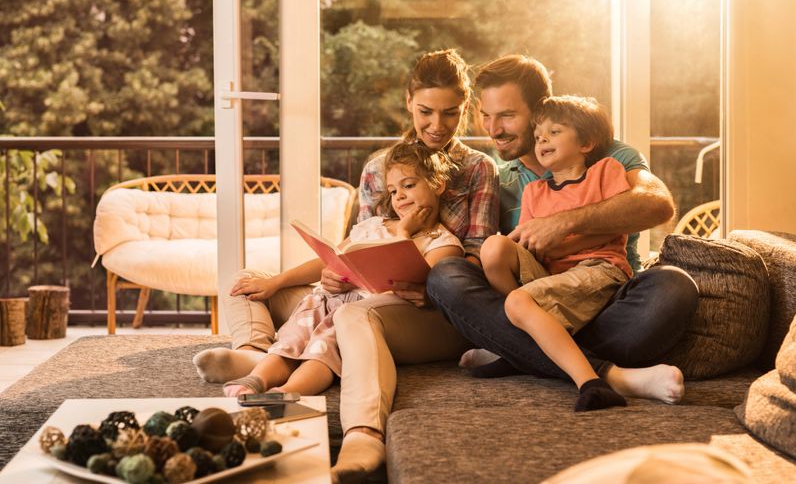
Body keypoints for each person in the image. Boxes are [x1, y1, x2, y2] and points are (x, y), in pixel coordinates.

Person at [193, 49, 499, 482]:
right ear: (408, 102)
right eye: (426, 111)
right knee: (251, 282)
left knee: (354, 315)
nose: (437, 125)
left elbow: (475, 255)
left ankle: (363, 432)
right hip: (358, 294)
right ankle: (254, 355)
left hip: (427, 310)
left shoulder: (478, 169)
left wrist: (432, 285)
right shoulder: (379, 168)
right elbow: (358, 245)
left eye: (450, 113)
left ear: (464, 109)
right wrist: (325, 272)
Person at [429, 55, 696, 406]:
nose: (494, 130)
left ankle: (515, 351)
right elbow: (489, 260)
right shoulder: (498, 178)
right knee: (446, 277)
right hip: (540, 301)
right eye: (486, 116)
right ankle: (610, 375)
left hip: (609, 300)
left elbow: (657, 204)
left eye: (507, 116)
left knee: (673, 286)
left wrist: (564, 222)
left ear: (539, 109)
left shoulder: (607, 155)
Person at [221, 141, 464, 398]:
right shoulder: (374, 225)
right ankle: (255, 380)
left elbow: (415, 281)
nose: (399, 196)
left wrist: (404, 232)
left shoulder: (444, 243)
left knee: (322, 348)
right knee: (291, 341)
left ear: (438, 184)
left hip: (362, 317)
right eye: (393, 191)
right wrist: (279, 282)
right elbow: (332, 259)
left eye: (409, 185)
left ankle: (286, 393)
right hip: (329, 301)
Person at [483, 94, 667, 412]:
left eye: (554, 132)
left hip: (599, 266)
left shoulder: (606, 171)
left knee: (517, 301)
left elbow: (617, 228)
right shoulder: (533, 192)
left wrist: (565, 242)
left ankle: (591, 383)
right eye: (538, 136)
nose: (543, 140)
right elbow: (528, 247)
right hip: (552, 273)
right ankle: (534, 329)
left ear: (586, 143)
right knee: (493, 248)